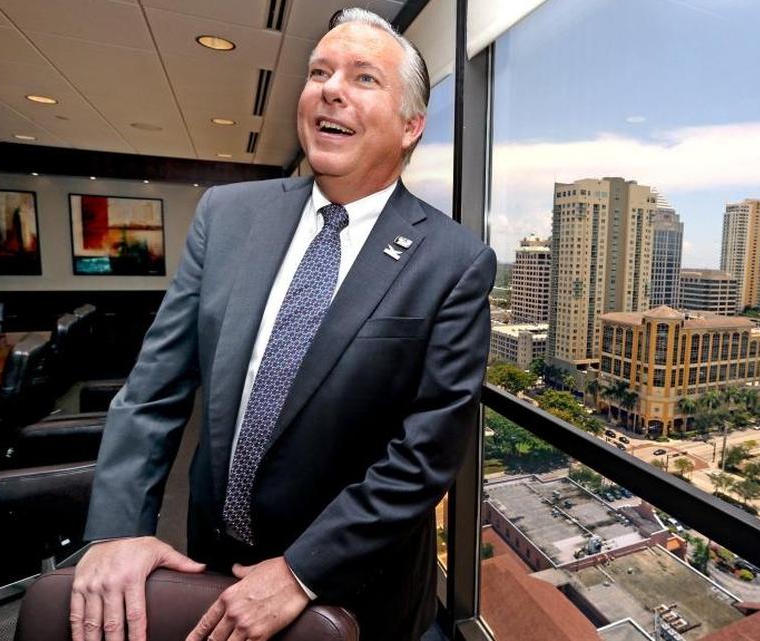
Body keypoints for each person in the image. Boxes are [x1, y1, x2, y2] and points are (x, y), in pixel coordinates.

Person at [69, 8, 494, 641]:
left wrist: (301, 572)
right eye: (319, 71)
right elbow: (155, 387)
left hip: (356, 595)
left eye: (363, 78)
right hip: (208, 565)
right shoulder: (228, 214)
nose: (330, 88)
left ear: (411, 126)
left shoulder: (455, 263)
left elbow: (424, 456)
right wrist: (117, 528)